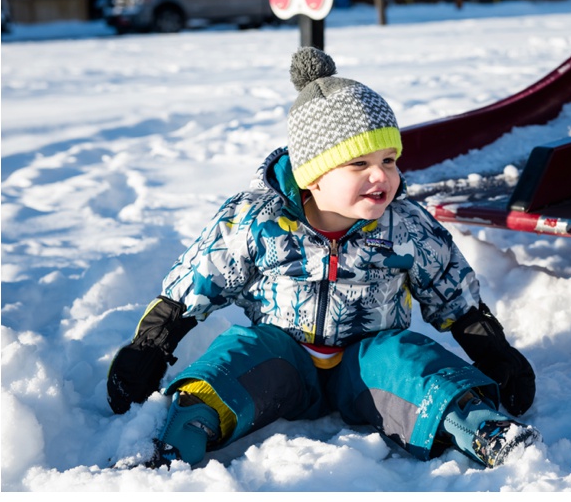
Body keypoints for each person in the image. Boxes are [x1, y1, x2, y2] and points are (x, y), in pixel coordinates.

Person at [107, 47, 540, 469]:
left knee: (410, 359)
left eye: (389, 160)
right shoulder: (259, 221)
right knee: (235, 354)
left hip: (368, 363)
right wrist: (150, 346)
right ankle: (176, 441)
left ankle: (482, 428)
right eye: (359, 164)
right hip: (283, 359)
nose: (381, 177)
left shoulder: (403, 226)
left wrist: (494, 352)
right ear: (312, 176)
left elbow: (453, 293)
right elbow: (198, 280)